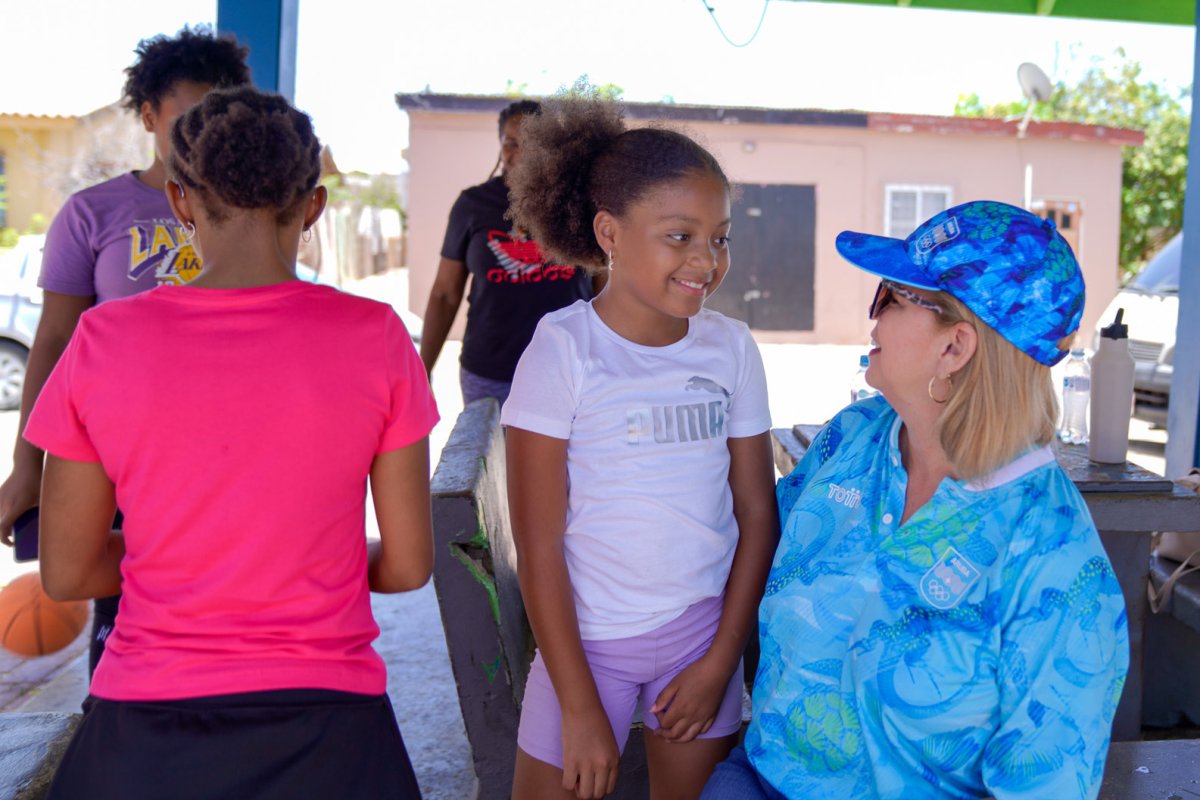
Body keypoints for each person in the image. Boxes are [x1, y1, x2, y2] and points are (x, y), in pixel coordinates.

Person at [24, 86, 436, 799]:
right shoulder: (377, 337)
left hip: (145, 731)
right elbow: (406, 566)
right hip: (332, 727)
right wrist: (305, 563)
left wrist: (184, 558)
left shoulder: (103, 341)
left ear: (180, 202)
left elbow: (66, 572)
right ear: (313, 206)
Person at [702, 201, 1129, 800]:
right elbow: (751, 545)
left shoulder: (1053, 556)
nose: (872, 317)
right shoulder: (853, 437)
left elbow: (1043, 784)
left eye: (890, 298)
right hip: (761, 776)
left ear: (954, 348)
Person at [500, 94, 779, 800]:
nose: (705, 260)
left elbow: (757, 515)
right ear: (610, 232)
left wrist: (722, 662)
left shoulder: (731, 350)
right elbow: (538, 545)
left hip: (701, 639)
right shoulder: (563, 351)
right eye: (679, 236)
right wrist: (578, 706)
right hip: (583, 647)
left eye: (720, 238)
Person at [0, 26, 251, 676]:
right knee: (124, 623)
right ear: (147, 115)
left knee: (228, 618)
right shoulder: (93, 214)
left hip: (228, 455)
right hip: (117, 460)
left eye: (218, 116)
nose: (203, 133)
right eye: (186, 116)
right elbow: (55, 343)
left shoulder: (252, 213)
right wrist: (27, 466)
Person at [419, 99, 594, 405]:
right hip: (490, 374)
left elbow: (603, 286)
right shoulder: (473, 205)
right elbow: (445, 295)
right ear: (500, 146)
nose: (520, 154)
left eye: (531, 144)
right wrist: (423, 371)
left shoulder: (579, 202)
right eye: (510, 143)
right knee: (488, 439)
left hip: (570, 371)